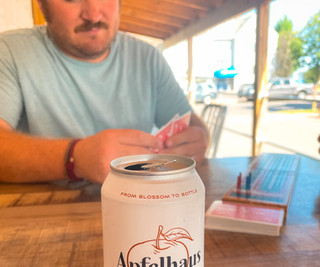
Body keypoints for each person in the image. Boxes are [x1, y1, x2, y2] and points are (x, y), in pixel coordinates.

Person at [0, 0, 208, 184]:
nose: (93, 15)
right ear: (41, 5)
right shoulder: (9, 51)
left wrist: (198, 141)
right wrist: (75, 158)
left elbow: (193, 127)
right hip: (43, 212)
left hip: (138, 206)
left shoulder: (147, 58)